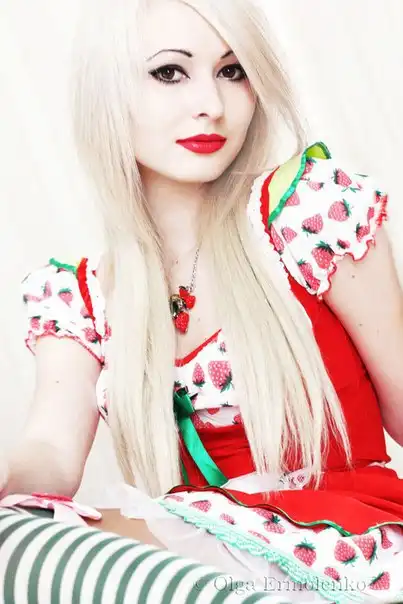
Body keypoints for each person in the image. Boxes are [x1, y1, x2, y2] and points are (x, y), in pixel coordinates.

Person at [2, 0, 403, 602]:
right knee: (18, 541)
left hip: (348, 548)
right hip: (200, 570)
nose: (211, 105)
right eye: (170, 72)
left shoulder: (308, 211)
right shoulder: (79, 299)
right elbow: (50, 454)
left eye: (232, 71)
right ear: (107, 92)